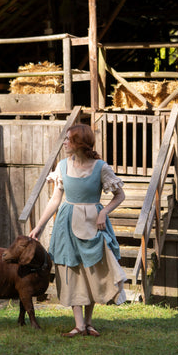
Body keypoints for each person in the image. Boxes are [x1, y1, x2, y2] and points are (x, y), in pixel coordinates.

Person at [29, 123, 127, 337]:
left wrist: (104, 212)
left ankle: (89, 323)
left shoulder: (101, 167)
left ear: (79, 143)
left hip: (94, 223)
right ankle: (79, 325)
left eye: (68, 139)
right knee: (71, 269)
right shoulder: (63, 166)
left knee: (92, 269)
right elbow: (55, 199)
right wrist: (39, 225)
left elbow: (120, 196)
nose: (64, 143)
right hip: (67, 222)